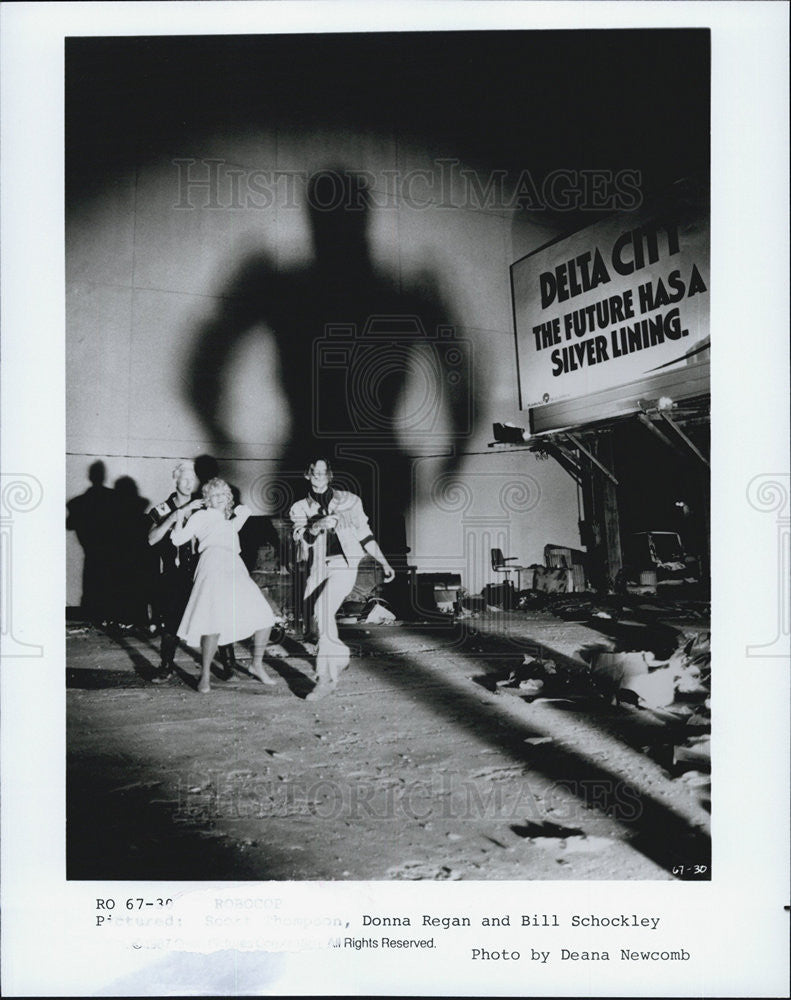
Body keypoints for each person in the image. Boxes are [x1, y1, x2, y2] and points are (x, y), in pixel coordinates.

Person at [289, 458, 395, 701]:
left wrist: (384, 562)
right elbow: (301, 540)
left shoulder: (350, 501)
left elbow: (365, 534)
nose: (318, 476)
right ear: (307, 475)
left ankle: (325, 679)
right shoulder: (298, 508)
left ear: (329, 475)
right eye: (314, 472)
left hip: (345, 564)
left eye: (323, 472)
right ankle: (340, 655)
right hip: (318, 568)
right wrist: (316, 527)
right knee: (314, 619)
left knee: (322, 608)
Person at [172, 478, 276, 694]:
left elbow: (233, 527)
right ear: (207, 498)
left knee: (265, 617)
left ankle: (256, 665)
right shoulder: (200, 516)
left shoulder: (227, 519)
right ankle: (205, 675)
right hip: (211, 564)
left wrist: (244, 513)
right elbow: (178, 539)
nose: (219, 498)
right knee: (213, 621)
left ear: (228, 497)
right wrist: (181, 515)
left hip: (234, 566)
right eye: (214, 494)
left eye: (223, 494)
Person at [147, 460, 202, 681]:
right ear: (175, 480)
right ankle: (166, 666)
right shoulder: (161, 509)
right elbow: (151, 539)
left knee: (213, 614)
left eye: (192, 479)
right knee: (172, 620)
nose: (189, 484)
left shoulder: (202, 506)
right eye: (185, 479)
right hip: (173, 574)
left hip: (200, 571)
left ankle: (228, 666)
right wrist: (177, 514)